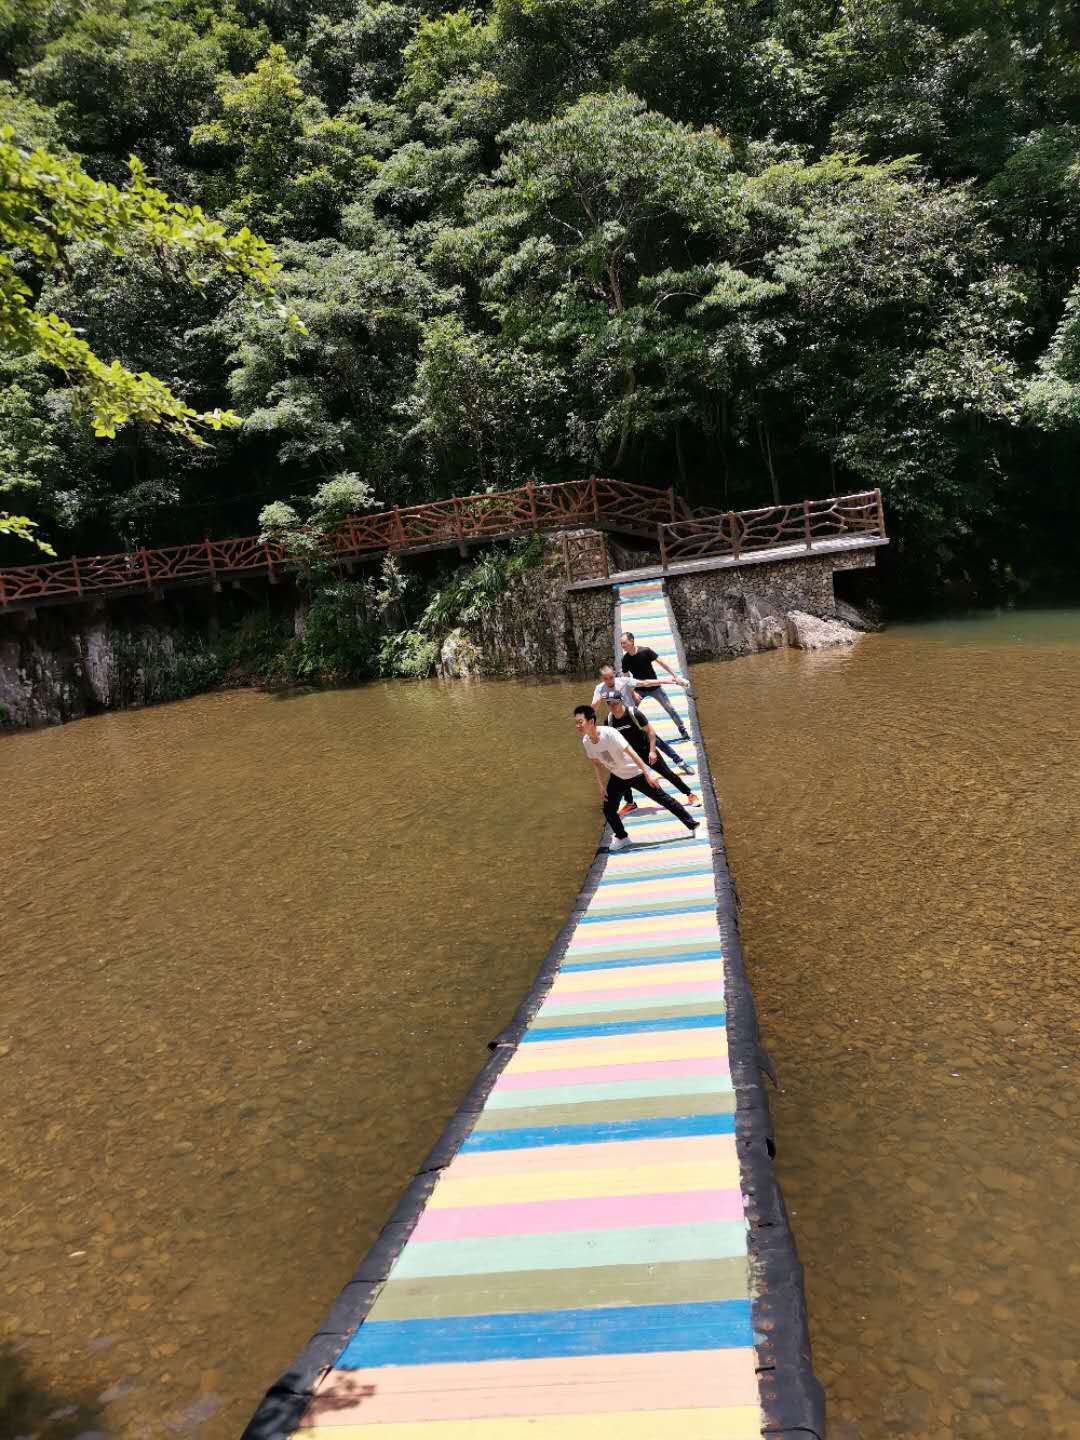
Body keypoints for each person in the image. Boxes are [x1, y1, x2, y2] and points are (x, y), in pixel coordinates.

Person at [573, 704, 698, 852]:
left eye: (580, 722)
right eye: (576, 722)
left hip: (635, 773)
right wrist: (601, 785)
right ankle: (622, 837)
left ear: (591, 721)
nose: (578, 726)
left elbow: (631, 752)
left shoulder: (610, 733)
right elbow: (596, 763)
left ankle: (693, 825)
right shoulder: (586, 741)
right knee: (608, 809)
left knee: (664, 799)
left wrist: (647, 773)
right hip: (617, 776)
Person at [591, 663, 694, 775]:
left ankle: (680, 762)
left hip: (633, 717)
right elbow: (592, 710)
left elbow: (645, 683)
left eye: (611, 677)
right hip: (618, 721)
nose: (609, 681)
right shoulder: (600, 688)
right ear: (601, 678)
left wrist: (670, 681)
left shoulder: (623, 681)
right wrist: (600, 698)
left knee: (656, 741)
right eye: (605, 678)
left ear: (614, 674)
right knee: (621, 749)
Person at [606, 695, 699, 816]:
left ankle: (689, 794)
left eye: (615, 703)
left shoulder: (634, 713)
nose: (612, 706)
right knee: (622, 777)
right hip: (629, 755)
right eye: (609, 703)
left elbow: (651, 732)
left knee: (667, 773)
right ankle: (630, 803)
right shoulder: (609, 720)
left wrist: (652, 751)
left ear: (621, 701)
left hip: (646, 750)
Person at [620, 631, 691, 743]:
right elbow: (626, 679)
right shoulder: (625, 659)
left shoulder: (645, 651)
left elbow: (661, 662)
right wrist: (633, 693)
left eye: (624, 643)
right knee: (630, 712)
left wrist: (675, 676)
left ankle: (682, 729)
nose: (622, 646)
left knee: (669, 708)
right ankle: (632, 736)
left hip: (655, 687)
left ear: (632, 641)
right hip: (639, 689)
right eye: (621, 644)